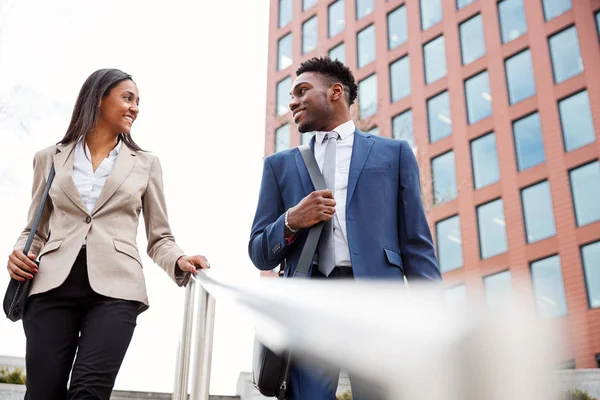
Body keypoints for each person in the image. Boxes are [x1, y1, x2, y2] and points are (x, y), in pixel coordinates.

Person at [6, 68, 210, 400]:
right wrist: (19, 253)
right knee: (42, 393)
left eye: (138, 102)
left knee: (89, 392)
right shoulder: (50, 158)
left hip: (117, 289)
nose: (135, 108)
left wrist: (179, 260)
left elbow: (159, 237)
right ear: (99, 100)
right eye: (127, 98)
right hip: (50, 286)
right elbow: (34, 229)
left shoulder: (146, 164)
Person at [248, 57, 442, 400]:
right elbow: (259, 252)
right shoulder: (278, 166)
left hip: (379, 302)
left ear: (336, 92)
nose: (292, 101)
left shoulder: (394, 153)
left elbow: (416, 243)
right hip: (309, 307)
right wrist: (292, 220)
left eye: (301, 91)